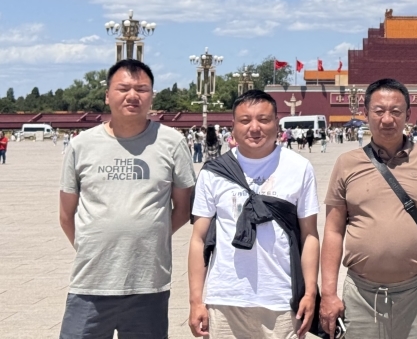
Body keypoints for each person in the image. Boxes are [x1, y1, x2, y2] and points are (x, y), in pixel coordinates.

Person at [58, 59, 196, 339]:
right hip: (91, 282)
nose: (133, 95)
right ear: (107, 95)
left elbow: (183, 209)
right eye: (123, 88)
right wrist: (93, 245)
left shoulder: (171, 142)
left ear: (151, 96)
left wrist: (149, 235)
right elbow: (66, 214)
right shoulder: (81, 145)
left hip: (148, 284)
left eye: (141, 89)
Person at [320, 78, 417, 339]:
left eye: (396, 111)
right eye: (379, 111)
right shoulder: (346, 163)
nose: (387, 119)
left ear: (408, 114)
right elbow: (333, 230)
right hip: (361, 294)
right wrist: (328, 294)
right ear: (365, 113)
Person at [188, 90, 320, 339]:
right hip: (226, 299)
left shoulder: (299, 168)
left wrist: (310, 292)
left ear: (277, 123)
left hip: (281, 299)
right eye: (245, 120)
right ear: (233, 125)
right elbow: (198, 239)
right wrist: (196, 300)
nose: (255, 128)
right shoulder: (213, 172)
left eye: (264, 119)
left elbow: (310, 235)